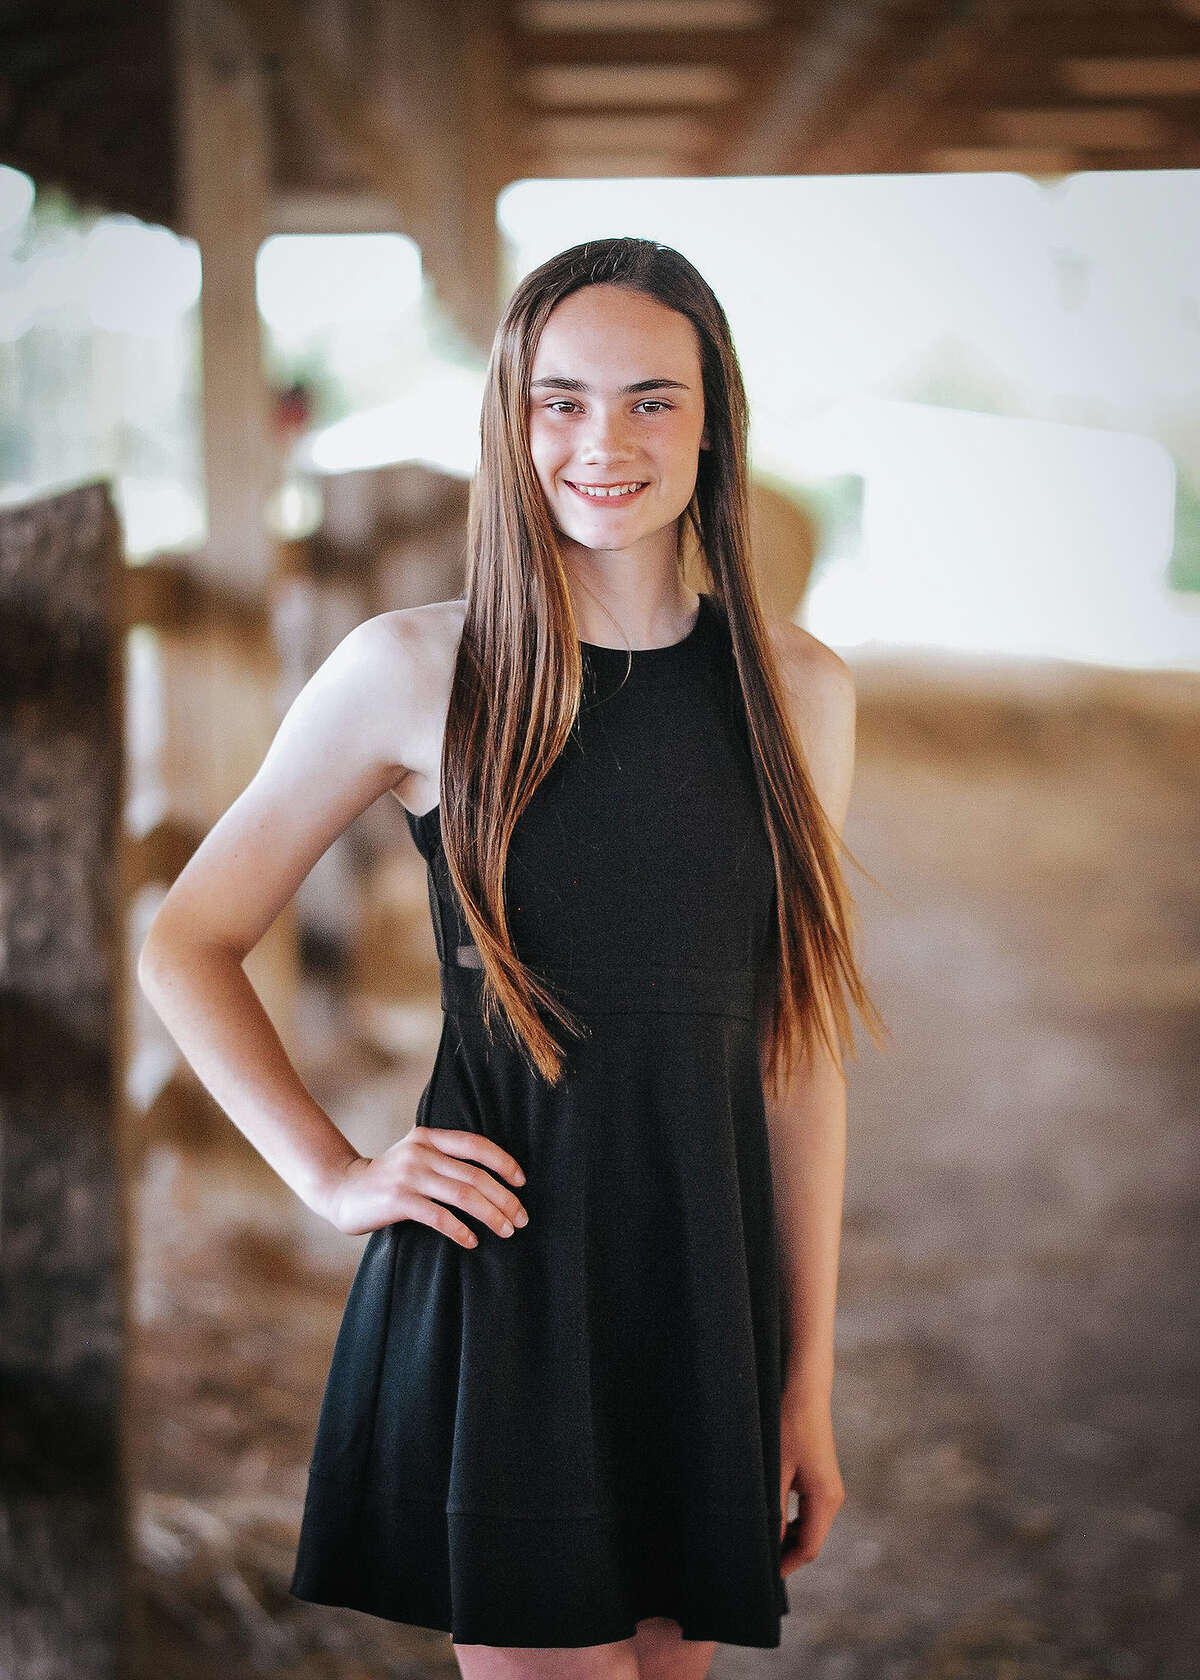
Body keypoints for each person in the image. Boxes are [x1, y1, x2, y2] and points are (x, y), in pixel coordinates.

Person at [138, 235, 885, 1679]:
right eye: (560, 399)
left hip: (704, 1292)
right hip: (510, 1284)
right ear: (509, 417)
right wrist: (336, 1174)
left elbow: (793, 1048)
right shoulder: (418, 670)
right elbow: (190, 938)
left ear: (715, 417)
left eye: (651, 399)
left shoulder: (800, 691)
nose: (602, 440)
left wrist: (805, 1378)